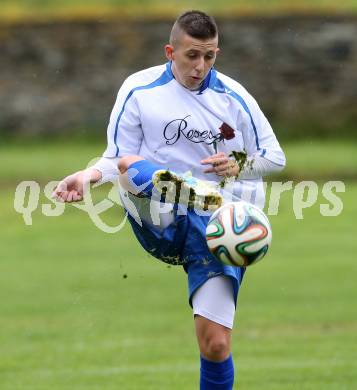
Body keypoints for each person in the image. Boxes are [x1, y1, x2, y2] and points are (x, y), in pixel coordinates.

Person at [53, 10, 285, 389]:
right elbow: (118, 159)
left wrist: (238, 162)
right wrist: (88, 175)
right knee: (132, 164)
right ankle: (201, 198)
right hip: (158, 214)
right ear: (170, 51)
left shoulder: (234, 97)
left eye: (209, 56)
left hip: (219, 230)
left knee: (215, 345)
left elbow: (275, 158)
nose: (201, 65)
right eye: (192, 55)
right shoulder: (139, 91)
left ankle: (209, 204)